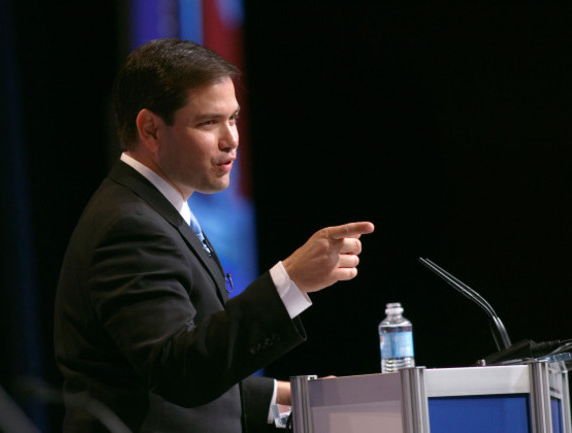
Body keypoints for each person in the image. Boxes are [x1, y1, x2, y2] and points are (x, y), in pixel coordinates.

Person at [54, 38, 374, 433]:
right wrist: (289, 280)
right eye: (208, 122)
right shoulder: (130, 226)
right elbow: (179, 372)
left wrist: (288, 395)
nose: (231, 139)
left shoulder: (159, 212)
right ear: (151, 129)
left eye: (234, 118)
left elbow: (176, 369)